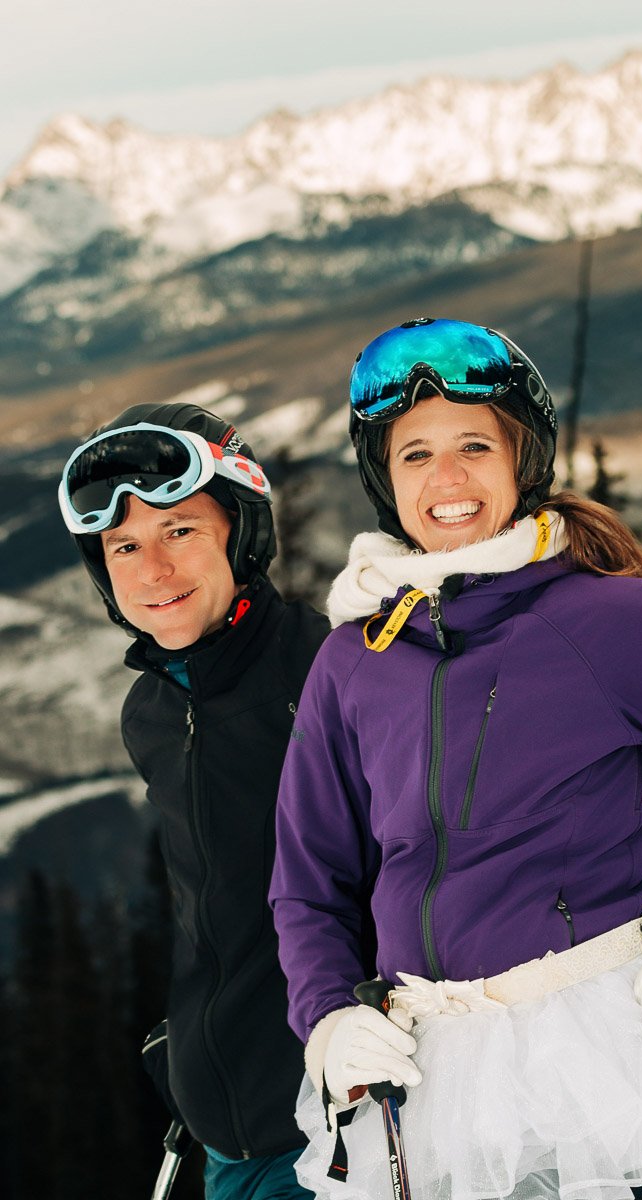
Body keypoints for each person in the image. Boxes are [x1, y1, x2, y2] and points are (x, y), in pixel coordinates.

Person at [269, 317, 642, 1200]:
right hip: (430, 1079)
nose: (447, 479)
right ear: (382, 479)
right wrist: (324, 1019)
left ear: (524, 459)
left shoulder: (616, 623)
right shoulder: (352, 661)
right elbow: (309, 878)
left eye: (475, 444)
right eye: (414, 455)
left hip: (599, 1056)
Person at [58, 401, 330, 1200]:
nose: (154, 570)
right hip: (223, 1129)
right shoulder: (149, 709)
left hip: (338, 1120)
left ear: (240, 535)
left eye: (181, 531)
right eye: (124, 547)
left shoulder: (327, 673)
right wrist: (195, 1038)